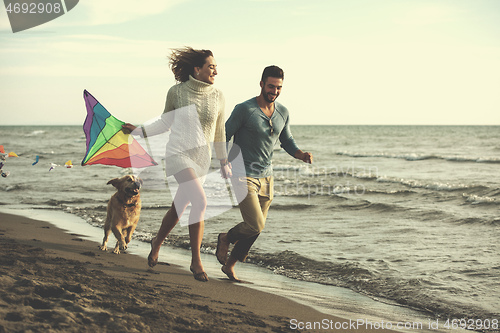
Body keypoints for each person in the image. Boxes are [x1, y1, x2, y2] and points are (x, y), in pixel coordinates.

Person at [123, 47, 231, 282]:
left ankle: (156, 242)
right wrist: (139, 131)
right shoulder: (177, 92)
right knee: (200, 201)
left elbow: (220, 131)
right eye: (211, 67)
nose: (215, 71)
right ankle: (196, 261)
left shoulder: (218, 96)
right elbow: (164, 123)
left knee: (178, 208)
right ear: (197, 69)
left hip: (201, 159)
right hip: (178, 154)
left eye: (215, 67)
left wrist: (223, 160)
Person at [216, 65, 312, 282]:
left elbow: (286, 140)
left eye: (278, 87)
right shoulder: (245, 109)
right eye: (271, 86)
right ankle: (225, 238)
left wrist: (300, 154)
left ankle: (229, 266)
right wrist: (223, 161)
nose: (274, 91)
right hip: (242, 173)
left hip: (267, 177)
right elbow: (224, 133)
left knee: (256, 229)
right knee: (255, 224)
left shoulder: (283, 112)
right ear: (261, 84)